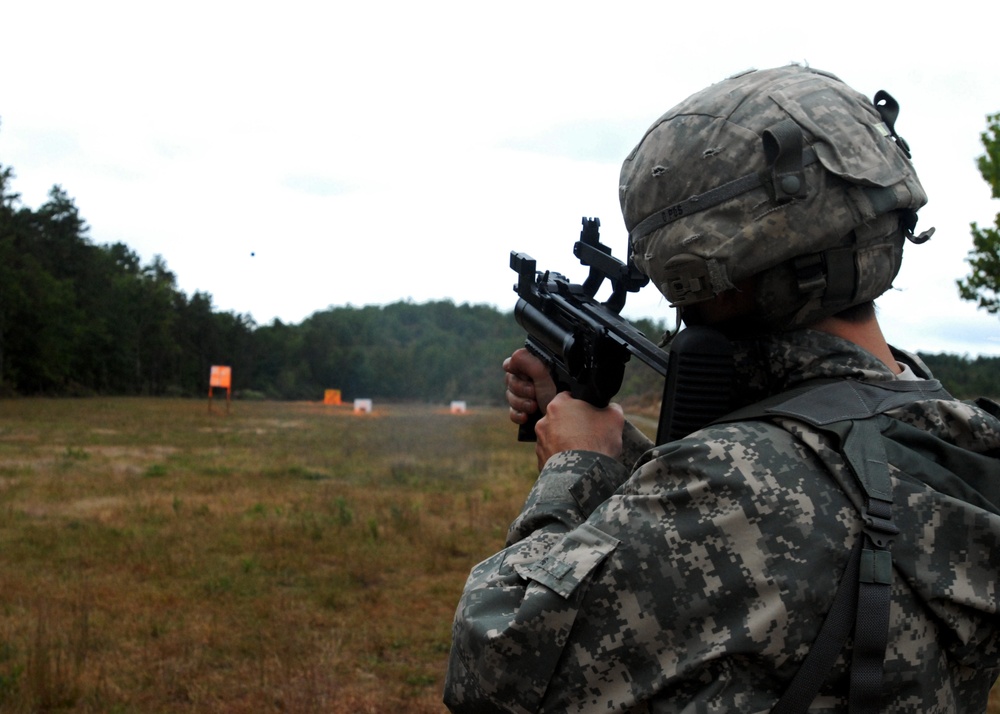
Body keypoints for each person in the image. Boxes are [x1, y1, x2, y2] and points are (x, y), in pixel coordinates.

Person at [444, 65, 1000, 713]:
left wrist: (578, 467)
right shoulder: (960, 439)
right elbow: (793, 502)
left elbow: (493, 666)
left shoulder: (734, 483)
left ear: (715, 271)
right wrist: (626, 448)